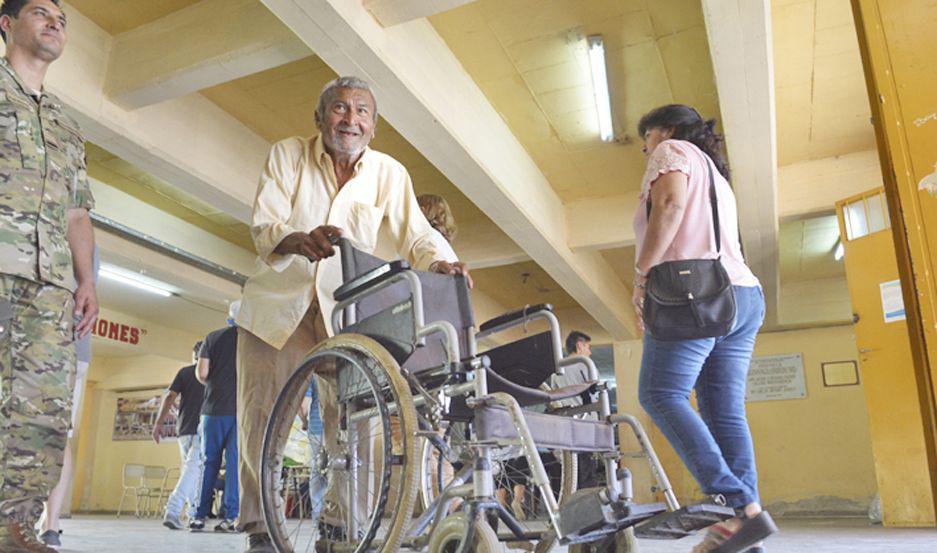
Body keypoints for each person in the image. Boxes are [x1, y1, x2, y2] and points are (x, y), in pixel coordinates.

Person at [234, 75, 470, 553]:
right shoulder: (287, 154)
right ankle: (261, 527)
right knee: (262, 417)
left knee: (355, 420)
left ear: (374, 126)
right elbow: (265, 223)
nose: (351, 119)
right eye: (340, 109)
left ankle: (341, 527)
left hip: (347, 311)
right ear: (319, 118)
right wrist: (298, 239)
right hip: (282, 305)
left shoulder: (389, 173)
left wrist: (440, 261)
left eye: (362, 111)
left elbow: (417, 234)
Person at [631, 105, 775, 552]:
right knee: (724, 409)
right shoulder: (715, 173)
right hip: (744, 296)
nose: (645, 147)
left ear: (667, 130)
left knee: (660, 394)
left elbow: (670, 205)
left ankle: (740, 505)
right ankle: (740, 527)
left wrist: (641, 275)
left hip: (696, 296)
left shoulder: (674, 150)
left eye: (647, 136)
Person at [0, 1, 98, 550]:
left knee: (41, 411)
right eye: (41, 12)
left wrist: (87, 282)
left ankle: (13, 527)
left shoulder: (65, 122)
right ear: (6, 22)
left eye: (62, 18)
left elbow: (77, 213)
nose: (55, 22)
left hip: (52, 286)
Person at [37, 247, 99, 547]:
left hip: (55, 344)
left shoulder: (74, 230)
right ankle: (50, 523)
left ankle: (49, 521)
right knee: (59, 434)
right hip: (71, 344)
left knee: (54, 434)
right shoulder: (84, 235)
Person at [191, 310, 240, 533]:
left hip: (212, 411)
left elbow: (202, 373)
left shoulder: (213, 337)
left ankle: (198, 515)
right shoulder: (253, 343)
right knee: (233, 465)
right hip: (240, 412)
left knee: (208, 463)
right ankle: (231, 517)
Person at [153, 341, 206, 530]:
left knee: (192, 472)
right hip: (202, 429)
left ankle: (193, 513)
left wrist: (159, 423)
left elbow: (169, 397)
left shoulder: (184, 372)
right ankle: (173, 509)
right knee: (193, 471)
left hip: (183, 430)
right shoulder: (211, 374)